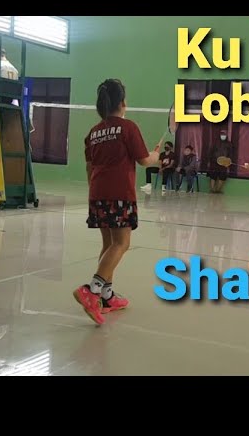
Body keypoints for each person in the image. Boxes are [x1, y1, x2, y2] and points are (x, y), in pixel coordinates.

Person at [73, 78, 160, 325]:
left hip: (97, 194)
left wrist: (95, 192)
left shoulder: (93, 133)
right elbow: (144, 160)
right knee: (121, 243)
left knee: (109, 244)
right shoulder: (128, 128)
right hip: (120, 194)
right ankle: (91, 291)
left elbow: (89, 167)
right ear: (122, 103)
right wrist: (156, 155)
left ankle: (107, 296)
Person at [208, 129, 234, 193]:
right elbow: (210, 152)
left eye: (224, 134)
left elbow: (231, 154)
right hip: (214, 162)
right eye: (222, 134)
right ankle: (212, 190)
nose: (223, 135)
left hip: (224, 163)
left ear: (226, 135)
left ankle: (218, 190)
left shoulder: (229, 144)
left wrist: (228, 162)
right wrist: (209, 161)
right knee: (213, 176)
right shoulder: (215, 142)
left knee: (222, 177)